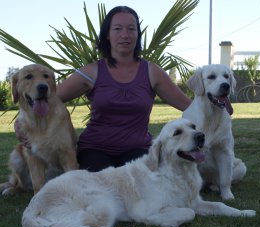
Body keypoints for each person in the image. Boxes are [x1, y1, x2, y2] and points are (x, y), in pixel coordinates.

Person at [17, 6, 192, 172]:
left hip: (138, 149)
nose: (125, 35)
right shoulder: (91, 72)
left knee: (142, 187)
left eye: (131, 29)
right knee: (102, 189)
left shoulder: (152, 72)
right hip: (95, 149)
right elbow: (49, 98)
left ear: (138, 34)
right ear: (107, 34)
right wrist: (20, 123)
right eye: (117, 29)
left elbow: (190, 107)